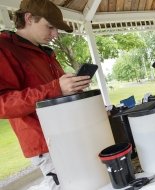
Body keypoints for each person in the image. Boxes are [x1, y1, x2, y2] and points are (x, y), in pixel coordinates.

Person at [0, 0, 92, 189]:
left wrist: (73, 89)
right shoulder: (5, 48)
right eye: (50, 27)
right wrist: (56, 88)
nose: (55, 34)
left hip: (69, 133)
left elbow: (57, 94)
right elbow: (3, 104)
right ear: (28, 19)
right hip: (45, 142)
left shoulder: (46, 53)